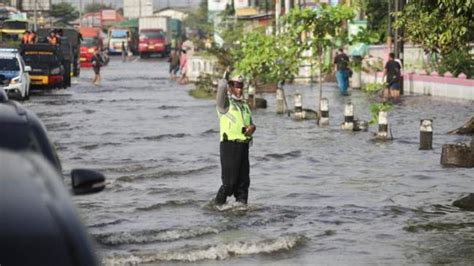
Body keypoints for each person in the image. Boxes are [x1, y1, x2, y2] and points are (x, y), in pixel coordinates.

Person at [214, 74, 256, 205]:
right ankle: (217, 207)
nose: (239, 89)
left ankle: (241, 209)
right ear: (230, 87)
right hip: (229, 146)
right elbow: (221, 87)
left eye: (241, 86)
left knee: (243, 184)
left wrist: (252, 128)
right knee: (229, 183)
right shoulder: (224, 104)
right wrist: (226, 76)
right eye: (237, 86)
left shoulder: (245, 105)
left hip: (244, 146)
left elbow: (251, 123)